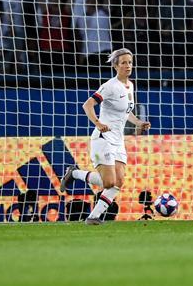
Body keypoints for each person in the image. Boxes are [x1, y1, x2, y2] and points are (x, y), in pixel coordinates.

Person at [59, 48, 150, 224]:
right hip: (103, 139)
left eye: (130, 62)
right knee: (109, 182)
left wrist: (139, 123)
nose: (128, 65)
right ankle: (75, 173)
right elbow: (87, 105)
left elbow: (126, 113)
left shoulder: (130, 85)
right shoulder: (109, 86)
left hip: (118, 141)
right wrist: (98, 123)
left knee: (118, 182)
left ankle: (93, 217)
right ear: (116, 65)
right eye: (123, 62)